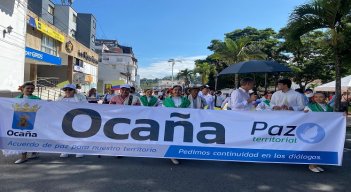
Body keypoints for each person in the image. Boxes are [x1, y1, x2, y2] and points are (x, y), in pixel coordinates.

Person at [12, 81, 41, 164]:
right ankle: (23, 157)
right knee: (23, 138)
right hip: (20, 122)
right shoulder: (16, 99)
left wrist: (48, 103)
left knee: (33, 138)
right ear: (22, 89)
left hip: (34, 121)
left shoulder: (37, 99)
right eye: (28, 88)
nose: (30, 90)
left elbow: (44, 108)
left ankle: (34, 152)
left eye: (32, 88)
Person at [304, 92, 333, 173]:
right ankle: (311, 165)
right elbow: (303, 117)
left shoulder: (329, 108)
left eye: (320, 97)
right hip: (313, 129)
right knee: (314, 146)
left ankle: (316, 164)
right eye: (316, 97)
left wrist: (342, 115)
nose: (318, 98)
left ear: (325, 98)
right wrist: (304, 113)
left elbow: (334, 118)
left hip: (325, 129)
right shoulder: (310, 106)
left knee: (322, 146)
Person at [57, 84, 88, 158]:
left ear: (74, 90)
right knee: (64, 135)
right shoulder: (60, 98)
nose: (67, 91)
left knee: (78, 134)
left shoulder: (80, 98)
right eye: (65, 89)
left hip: (77, 119)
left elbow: (86, 106)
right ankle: (65, 150)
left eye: (70, 89)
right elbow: (55, 107)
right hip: (64, 119)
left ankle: (79, 150)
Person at [163, 85, 191, 165]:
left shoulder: (186, 101)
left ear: (181, 92)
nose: (177, 91)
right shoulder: (167, 101)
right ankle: (172, 155)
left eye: (179, 90)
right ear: (172, 91)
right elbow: (162, 112)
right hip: (170, 122)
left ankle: (179, 153)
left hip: (183, 122)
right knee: (171, 138)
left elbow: (191, 111)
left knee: (180, 138)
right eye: (175, 90)